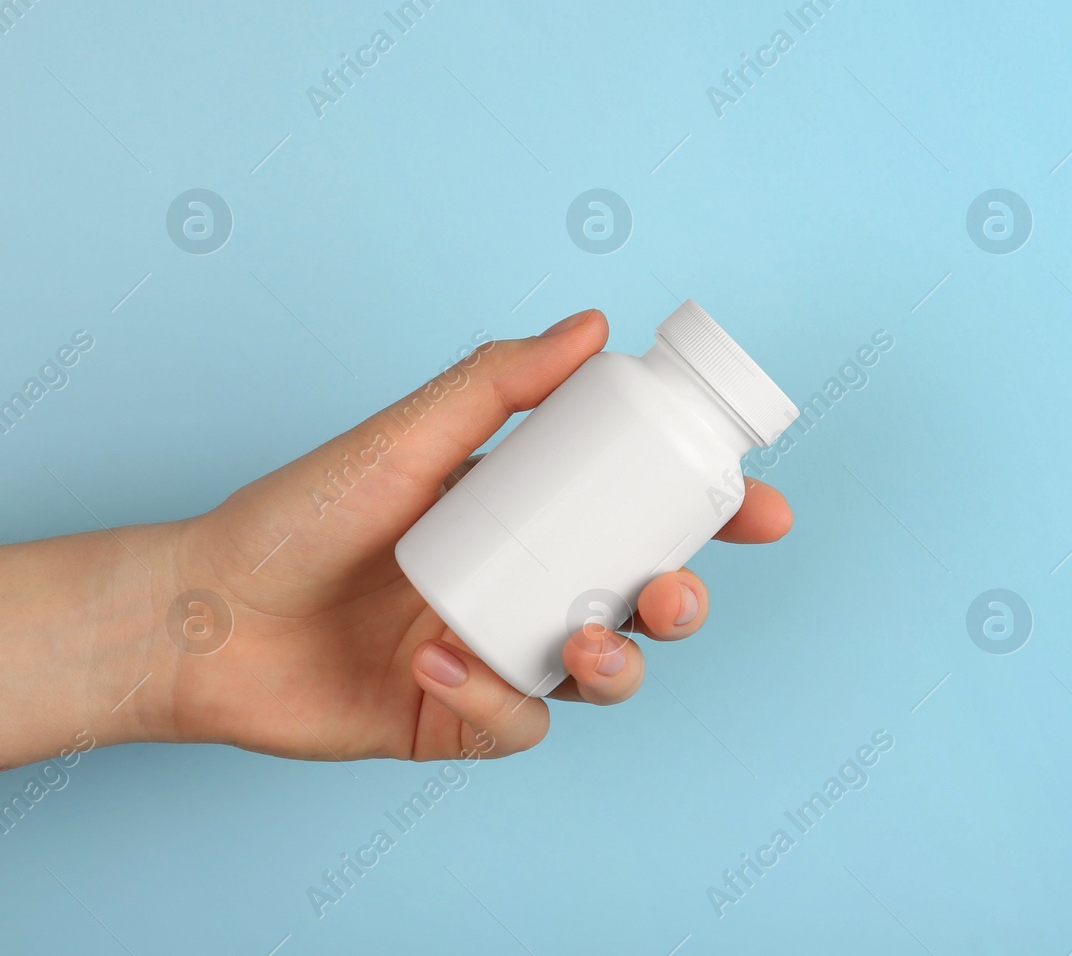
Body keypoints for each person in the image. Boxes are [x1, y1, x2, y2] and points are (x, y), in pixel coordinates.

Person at [0, 309, 792, 769]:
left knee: (643, 602)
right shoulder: (620, 383)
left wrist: (180, 627)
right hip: (412, 593)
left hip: (401, 618)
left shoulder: (704, 472)